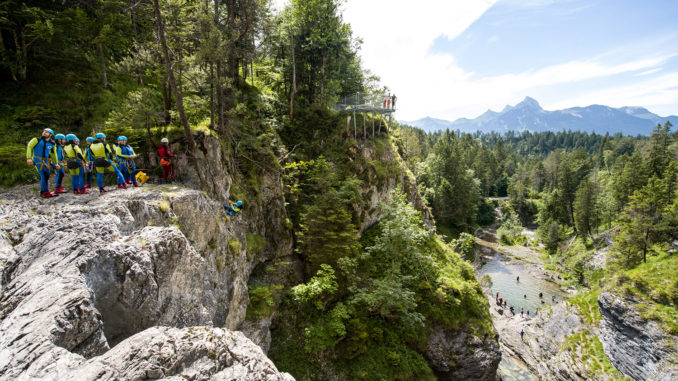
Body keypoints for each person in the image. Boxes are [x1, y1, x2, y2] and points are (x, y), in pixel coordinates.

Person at [27, 128, 59, 198]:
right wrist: (29, 158)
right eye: (44, 131)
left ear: (50, 135)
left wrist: (56, 163)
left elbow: (54, 154)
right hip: (37, 159)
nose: (44, 133)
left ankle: (45, 191)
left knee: (47, 175)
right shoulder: (36, 140)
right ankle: (44, 192)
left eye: (46, 132)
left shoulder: (52, 143)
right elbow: (29, 147)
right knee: (43, 175)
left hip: (46, 161)